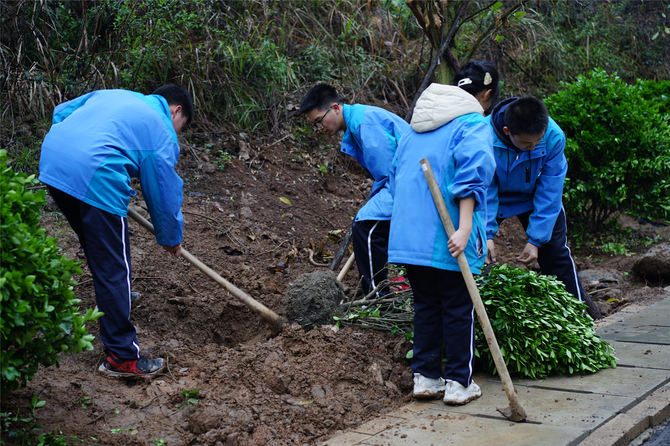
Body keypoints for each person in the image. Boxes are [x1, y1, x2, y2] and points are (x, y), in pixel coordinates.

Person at [38, 84, 193, 379]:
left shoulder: (116, 95)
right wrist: (171, 238)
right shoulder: (161, 129)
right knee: (113, 266)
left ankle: (115, 299)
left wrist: (76, 153)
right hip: (96, 173)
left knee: (99, 249)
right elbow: (163, 192)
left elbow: (61, 113)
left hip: (55, 162)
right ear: (177, 111)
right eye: (181, 127)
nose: (176, 134)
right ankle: (122, 358)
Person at [388, 61, 499, 405]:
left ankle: (425, 378)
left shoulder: (413, 129)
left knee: (426, 307)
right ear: (483, 97)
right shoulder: (471, 124)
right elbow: (472, 176)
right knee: (456, 307)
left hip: (409, 239)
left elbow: (395, 178)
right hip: (446, 236)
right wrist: (465, 228)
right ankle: (458, 383)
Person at [484, 96, 598, 318]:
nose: (534, 147)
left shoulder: (553, 136)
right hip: (496, 194)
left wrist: (536, 240)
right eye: (527, 144)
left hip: (534, 194)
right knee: (478, 250)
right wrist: (486, 233)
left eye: (538, 141)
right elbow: (484, 188)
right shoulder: (483, 136)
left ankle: (579, 319)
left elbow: (550, 190)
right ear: (507, 131)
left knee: (555, 253)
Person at [299, 84, 410, 295]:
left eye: (319, 121)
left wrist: (376, 205)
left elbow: (389, 172)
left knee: (366, 226)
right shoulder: (356, 121)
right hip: (404, 180)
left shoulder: (363, 123)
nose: (319, 128)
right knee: (368, 222)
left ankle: (377, 295)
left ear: (335, 108)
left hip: (411, 183)